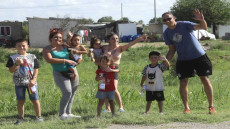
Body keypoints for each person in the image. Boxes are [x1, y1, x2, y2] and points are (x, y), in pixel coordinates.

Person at [162, 9, 216, 114]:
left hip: (199, 56)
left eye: (169, 18)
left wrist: (202, 20)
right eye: (164, 20)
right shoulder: (167, 33)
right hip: (183, 60)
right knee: (183, 82)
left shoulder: (184, 25)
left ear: (174, 18)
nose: (167, 21)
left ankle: (211, 106)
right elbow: (172, 50)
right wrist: (165, 61)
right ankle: (186, 108)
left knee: (204, 79)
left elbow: (203, 27)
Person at [42, 29, 81, 120]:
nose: (58, 39)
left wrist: (78, 58)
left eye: (60, 37)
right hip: (59, 73)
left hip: (72, 72)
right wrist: (65, 60)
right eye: (56, 37)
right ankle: (62, 114)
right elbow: (49, 60)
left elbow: (75, 49)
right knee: (67, 91)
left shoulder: (64, 46)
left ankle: (68, 113)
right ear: (51, 38)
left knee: (72, 92)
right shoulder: (47, 49)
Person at [102, 32, 146, 112]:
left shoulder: (120, 48)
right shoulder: (105, 47)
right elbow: (95, 47)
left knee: (114, 88)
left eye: (116, 38)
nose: (115, 40)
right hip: (104, 69)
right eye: (113, 38)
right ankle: (107, 108)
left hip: (114, 69)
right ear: (109, 40)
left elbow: (130, 44)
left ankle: (121, 107)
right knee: (104, 89)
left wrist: (138, 39)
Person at [6, 39, 43, 125]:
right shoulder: (13, 58)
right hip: (19, 84)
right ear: (16, 47)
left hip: (31, 83)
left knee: (35, 99)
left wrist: (34, 79)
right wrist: (17, 64)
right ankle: (21, 118)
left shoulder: (33, 56)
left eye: (23, 45)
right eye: (19, 46)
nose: (21, 47)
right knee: (20, 100)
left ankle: (39, 117)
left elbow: (36, 69)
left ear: (28, 47)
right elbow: (11, 70)